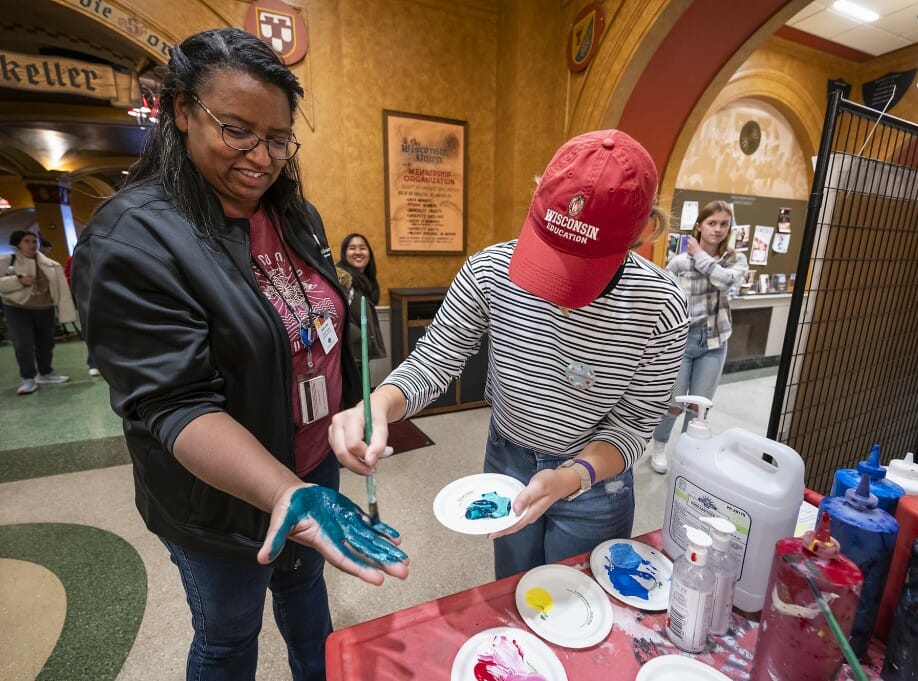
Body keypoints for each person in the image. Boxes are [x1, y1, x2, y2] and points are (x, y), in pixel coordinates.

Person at [70, 28, 407, 681]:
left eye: (278, 138)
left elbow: (319, 328)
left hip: (312, 468)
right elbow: (175, 405)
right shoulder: (132, 236)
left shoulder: (296, 214)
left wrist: (349, 414)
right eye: (236, 130)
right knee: (229, 635)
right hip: (217, 501)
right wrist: (287, 492)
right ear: (181, 110)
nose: (262, 156)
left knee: (310, 607)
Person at [329, 130, 689, 579]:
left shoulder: (660, 306)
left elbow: (633, 424)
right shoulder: (490, 271)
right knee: (515, 592)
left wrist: (573, 476)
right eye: (551, 258)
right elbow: (434, 360)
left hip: (596, 482)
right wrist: (379, 403)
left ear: (645, 231)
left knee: (576, 599)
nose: (559, 291)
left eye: (583, 269)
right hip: (507, 460)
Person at [647, 200, 748, 474]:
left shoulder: (734, 260)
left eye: (724, 224)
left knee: (699, 405)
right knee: (673, 402)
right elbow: (663, 298)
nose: (717, 229)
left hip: (715, 342)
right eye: (712, 223)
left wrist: (701, 256)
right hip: (682, 341)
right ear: (700, 225)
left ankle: (686, 453)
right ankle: (660, 444)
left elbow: (727, 282)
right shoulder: (680, 262)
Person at [0, 230, 73, 394]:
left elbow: (61, 289)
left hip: (45, 308)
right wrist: (18, 281)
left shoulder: (49, 264)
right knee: (23, 343)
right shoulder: (7, 259)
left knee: (46, 343)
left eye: (34, 241)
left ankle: (45, 373)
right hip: (18, 308)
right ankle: (28, 378)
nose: (32, 244)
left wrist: (63, 310)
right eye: (27, 241)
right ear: (18, 244)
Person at [336, 233, 386, 367]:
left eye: (362, 248)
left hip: (359, 354)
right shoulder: (342, 279)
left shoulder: (365, 281)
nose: (358, 252)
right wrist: (358, 335)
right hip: (347, 357)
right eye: (352, 248)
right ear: (344, 253)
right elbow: (334, 314)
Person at [62, 254, 99, 377]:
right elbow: (68, 278)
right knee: (92, 331)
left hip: (109, 297)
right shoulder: (76, 257)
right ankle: (93, 363)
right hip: (87, 298)